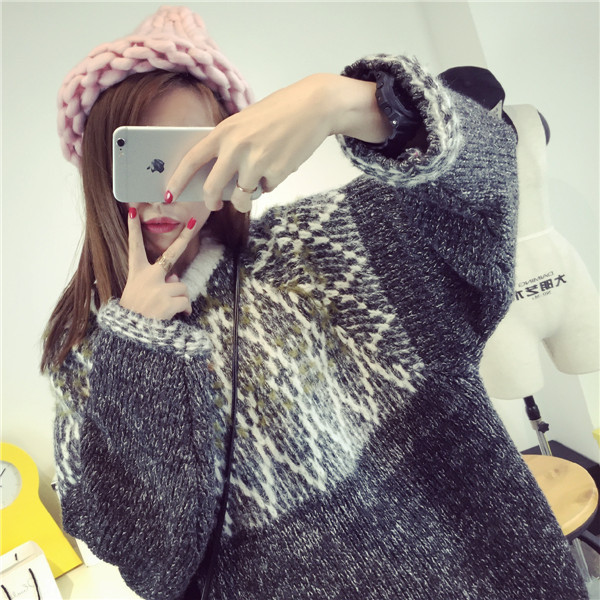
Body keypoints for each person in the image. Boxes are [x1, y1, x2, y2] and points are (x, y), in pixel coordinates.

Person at [42, 5, 587, 600]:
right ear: (99, 169)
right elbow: (150, 563)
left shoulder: (313, 254)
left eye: (190, 156)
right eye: (138, 160)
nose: (165, 191)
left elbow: (486, 190)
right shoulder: (81, 355)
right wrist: (140, 350)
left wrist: (344, 103)